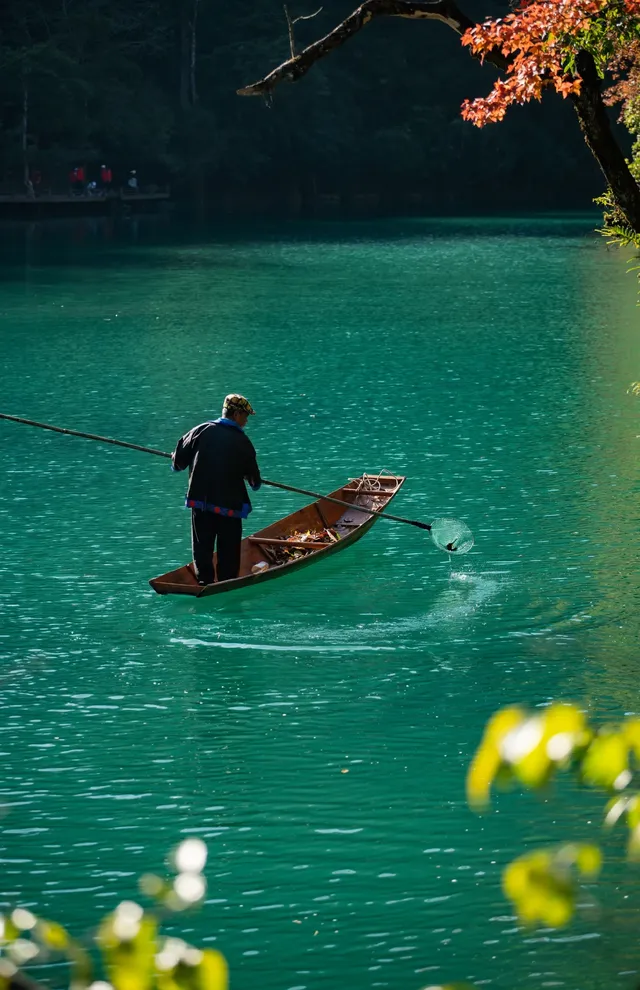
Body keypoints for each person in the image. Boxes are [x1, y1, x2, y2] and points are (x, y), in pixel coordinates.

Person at [172, 394, 261, 585]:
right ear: (236, 414)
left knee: (202, 547)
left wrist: (176, 458)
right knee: (228, 551)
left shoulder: (199, 431)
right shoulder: (242, 442)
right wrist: (250, 479)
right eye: (245, 416)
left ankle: (204, 582)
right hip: (230, 508)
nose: (246, 422)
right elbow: (255, 482)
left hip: (201, 504)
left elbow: (178, 463)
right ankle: (226, 583)